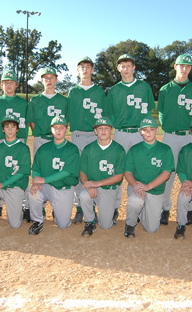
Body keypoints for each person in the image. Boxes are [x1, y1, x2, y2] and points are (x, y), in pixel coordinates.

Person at [157, 54, 192, 226]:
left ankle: (188, 209)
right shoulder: (165, 89)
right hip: (170, 136)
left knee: (189, 172)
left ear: (190, 69)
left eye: (187, 66)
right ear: (175, 66)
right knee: (168, 173)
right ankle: (165, 208)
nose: (184, 68)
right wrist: (166, 126)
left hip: (188, 136)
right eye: (181, 65)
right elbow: (161, 112)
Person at [67, 56, 107, 224]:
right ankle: (79, 208)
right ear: (78, 71)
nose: (85, 69)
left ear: (92, 70)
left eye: (88, 66)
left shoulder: (99, 91)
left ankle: (94, 207)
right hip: (76, 135)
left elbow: (104, 114)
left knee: (95, 171)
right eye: (82, 66)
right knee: (78, 173)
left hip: (93, 135)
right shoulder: (73, 91)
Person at [0, 71, 29, 222]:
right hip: (1, 140)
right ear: (1, 85)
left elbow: (28, 122)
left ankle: (25, 205)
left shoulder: (23, 103)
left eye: (12, 82)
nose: (9, 84)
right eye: (6, 82)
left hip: (19, 140)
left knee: (20, 171)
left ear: (16, 85)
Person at [123, 117, 174, 238]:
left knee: (151, 229)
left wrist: (148, 186)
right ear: (140, 132)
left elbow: (166, 173)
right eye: (145, 130)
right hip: (138, 187)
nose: (149, 132)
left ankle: (143, 212)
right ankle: (130, 224)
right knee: (135, 201)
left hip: (155, 190)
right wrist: (136, 185)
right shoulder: (134, 149)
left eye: (152, 129)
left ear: (157, 130)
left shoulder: (165, 149)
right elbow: (127, 172)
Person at [28, 116, 80, 235]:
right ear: (51, 129)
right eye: (55, 127)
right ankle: (37, 221)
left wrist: (43, 179)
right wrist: (36, 182)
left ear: (66, 130)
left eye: (61, 127)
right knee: (33, 194)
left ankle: (58, 212)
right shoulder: (43, 148)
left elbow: (66, 172)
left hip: (64, 188)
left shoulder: (72, 149)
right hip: (46, 186)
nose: (58, 130)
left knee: (62, 225)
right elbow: (36, 168)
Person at [79, 117, 126, 236]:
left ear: (111, 130)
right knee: (83, 195)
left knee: (105, 226)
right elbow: (82, 173)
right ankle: (90, 221)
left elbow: (119, 177)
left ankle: (113, 211)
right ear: (95, 131)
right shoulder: (88, 149)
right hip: (93, 187)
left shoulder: (119, 150)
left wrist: (96, 184)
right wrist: (88, 185)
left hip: (108, 189)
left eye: (106, 128)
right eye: (100, 128)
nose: (103, 131)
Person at [105, 54, 155, 152]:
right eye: (123, 66)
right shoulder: (113, 90)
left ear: (133, 68)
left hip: (140, 133)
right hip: (121, 134)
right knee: (120, 164)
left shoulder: (144, 87)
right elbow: (110, 114)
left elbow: (149, 111)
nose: (126, 69)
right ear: (119, 68)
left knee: (140, 164)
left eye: (128, 66)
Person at [27, 67, 68, 155]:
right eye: (46, 78)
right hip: (40, 139)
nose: (49, 80)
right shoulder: (35, 100)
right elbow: (31, 121)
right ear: (42, 80)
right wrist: (39, 135)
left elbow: (66, 121)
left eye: (52, 77)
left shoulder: (64, 101)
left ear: (56, 80)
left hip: (58, 140)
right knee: (39, 167)